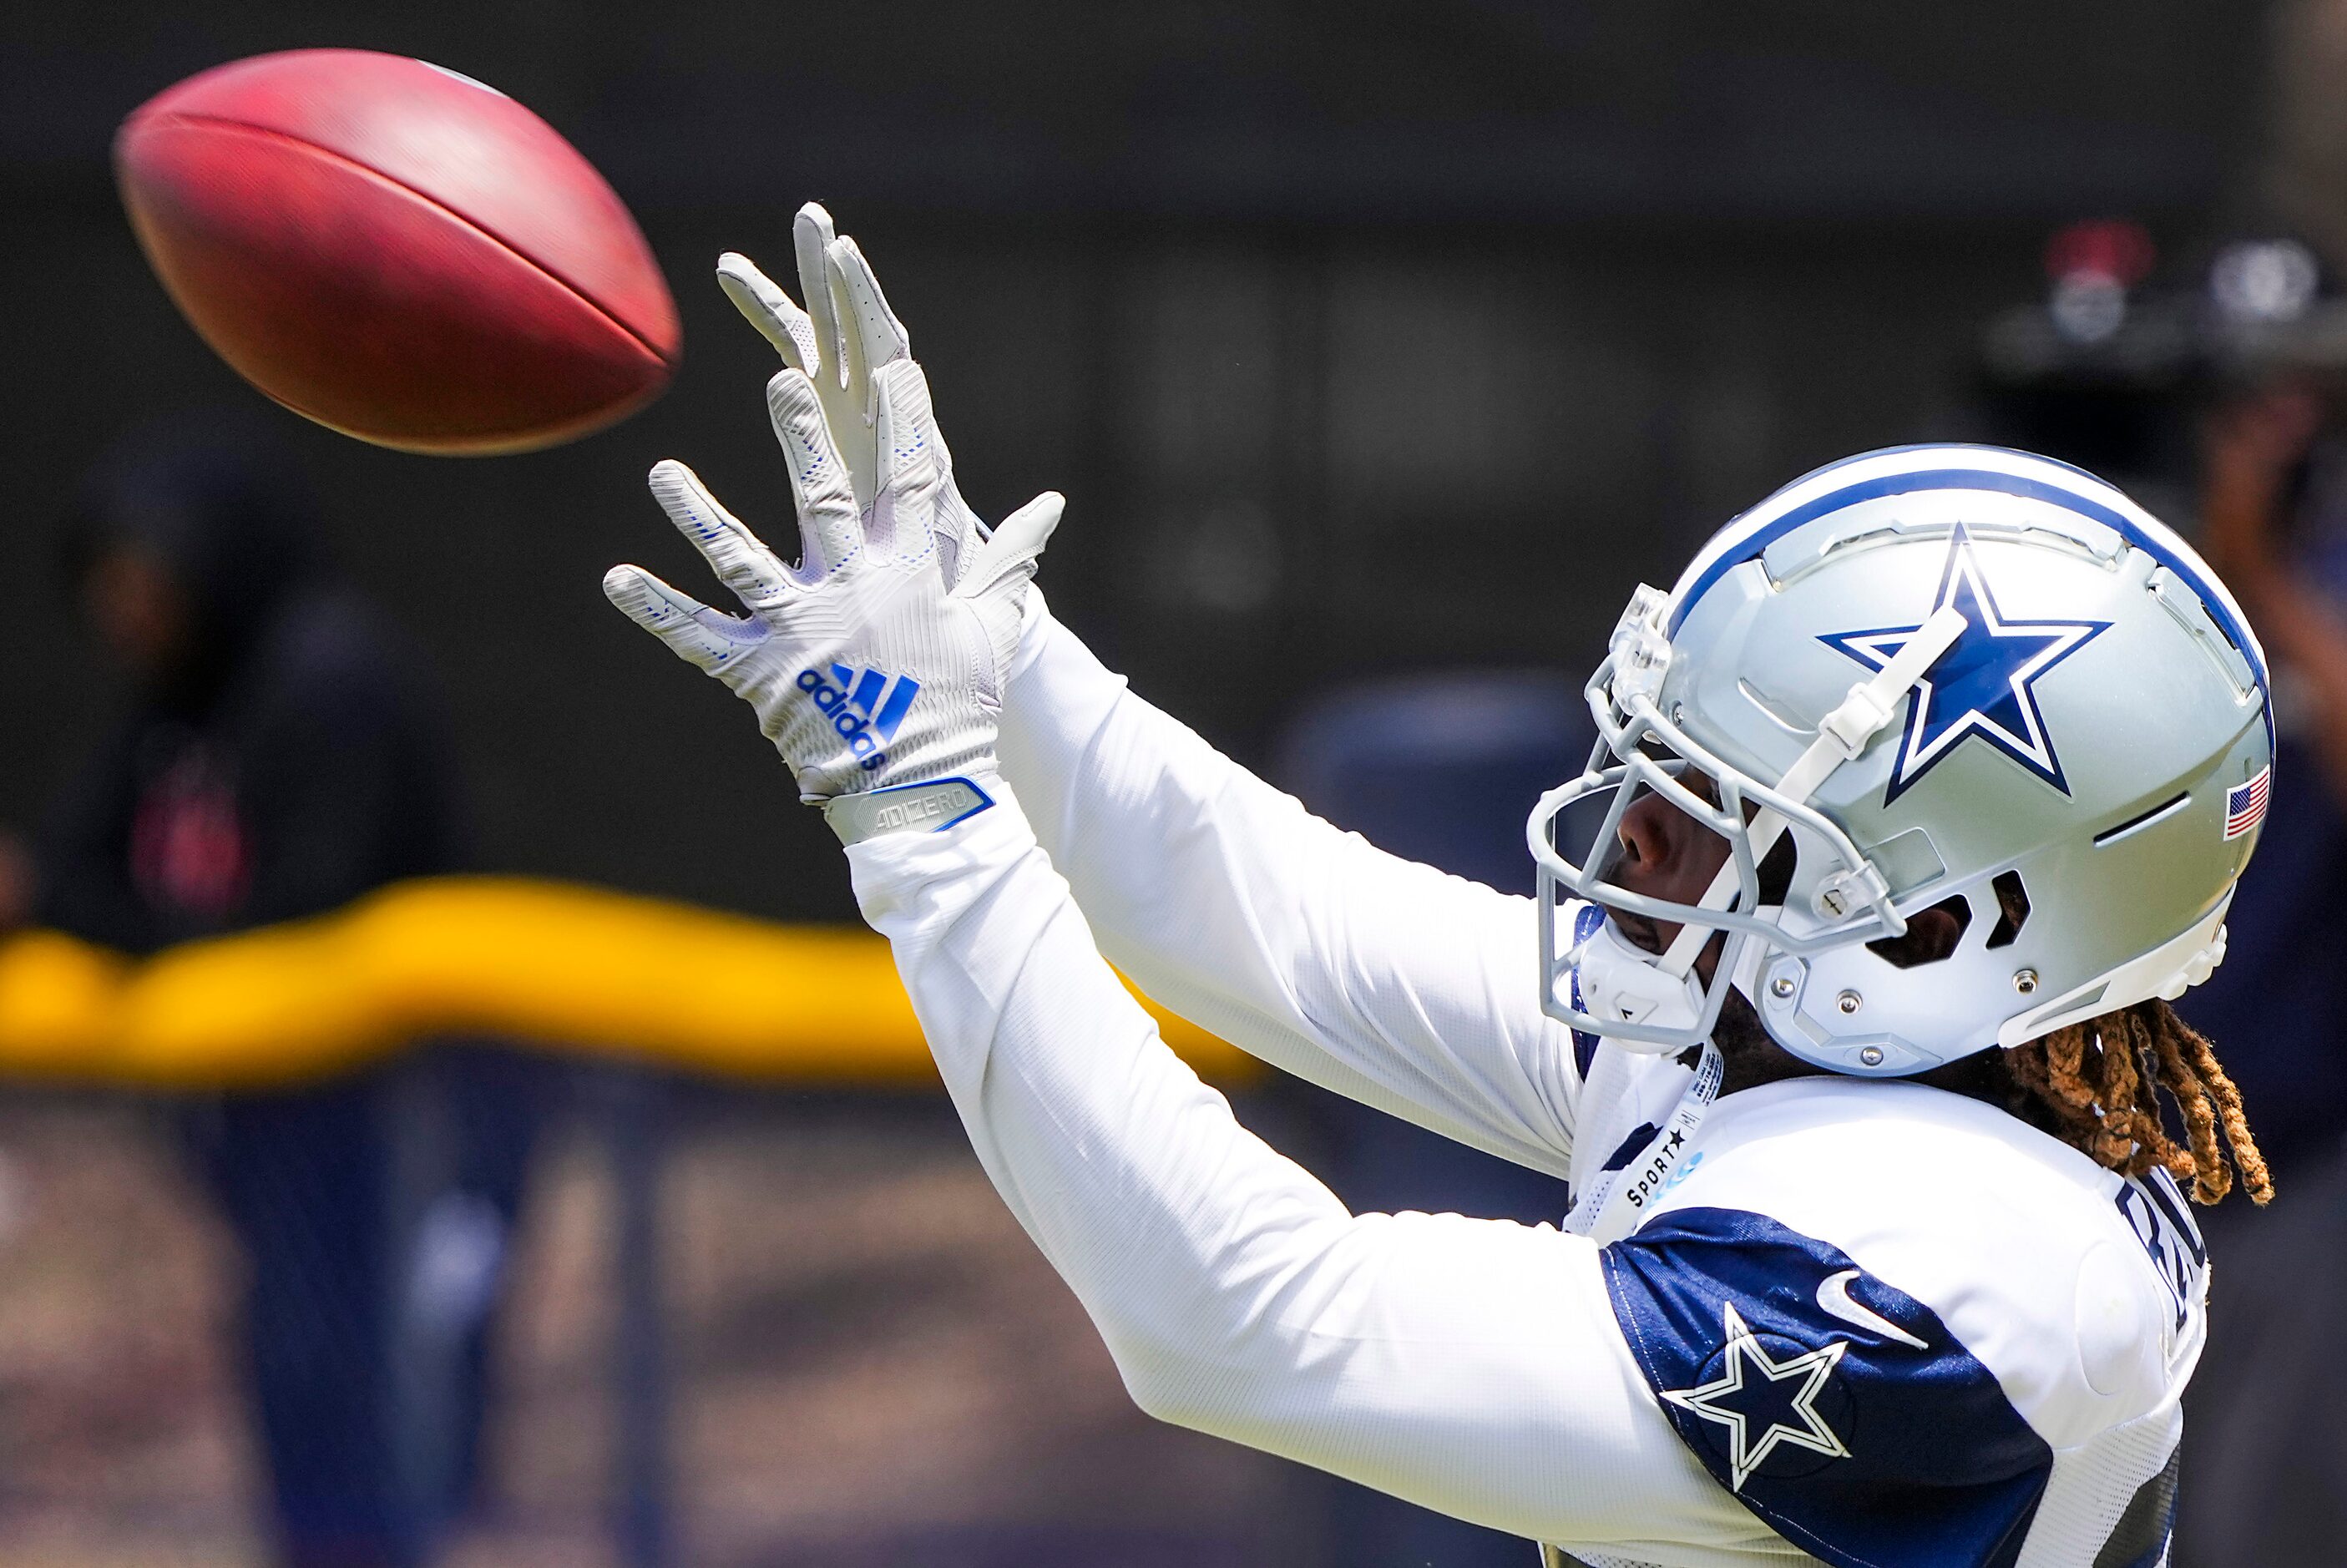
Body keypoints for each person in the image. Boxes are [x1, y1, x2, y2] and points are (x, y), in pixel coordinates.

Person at [605, 208, 2273, 1567]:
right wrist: (996, 653)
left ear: (1932, 924)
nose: (1623, 837)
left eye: (1708, 808)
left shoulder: (1963, 1287)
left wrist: (923, 816)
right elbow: (1276, 927)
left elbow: (1243, 1316)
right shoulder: (1826, 1047)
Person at [18, 423, 530, 1568]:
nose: (122, 609)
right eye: (107, 583)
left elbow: (298, 923)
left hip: (411, 1131)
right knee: (299, 1415)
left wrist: (104, 921)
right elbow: (64, 866)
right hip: (284, 1145)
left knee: (392, 1450)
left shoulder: (323, 675)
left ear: (207, 559)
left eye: (142, 578)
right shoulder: (185, 692)